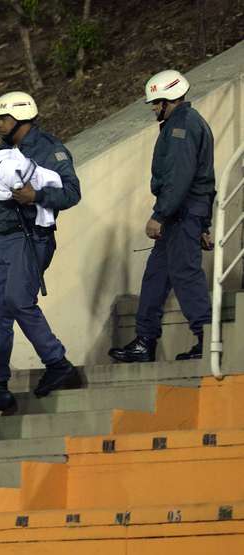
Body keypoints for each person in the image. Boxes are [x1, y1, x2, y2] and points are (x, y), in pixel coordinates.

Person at [0, 91, 81, 419]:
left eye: (3, 118)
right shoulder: (5, 150)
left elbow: (72, 192)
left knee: (18, 300)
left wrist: (36, 196)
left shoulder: (49, 148)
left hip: (31, 236)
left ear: (21, 117)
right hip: (3, 236)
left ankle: (58, 363)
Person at [109, 69, 215, 363]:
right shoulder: (183, 123)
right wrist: (203, 224)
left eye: (157, 103)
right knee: (155, 277)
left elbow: (180, 178)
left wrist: (160, 214)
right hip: (182, 213)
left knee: (185, 274)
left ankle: (207, 338)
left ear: (170, 100)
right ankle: (145, 341)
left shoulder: (181, 126)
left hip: (180, 213)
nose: (154, 108)